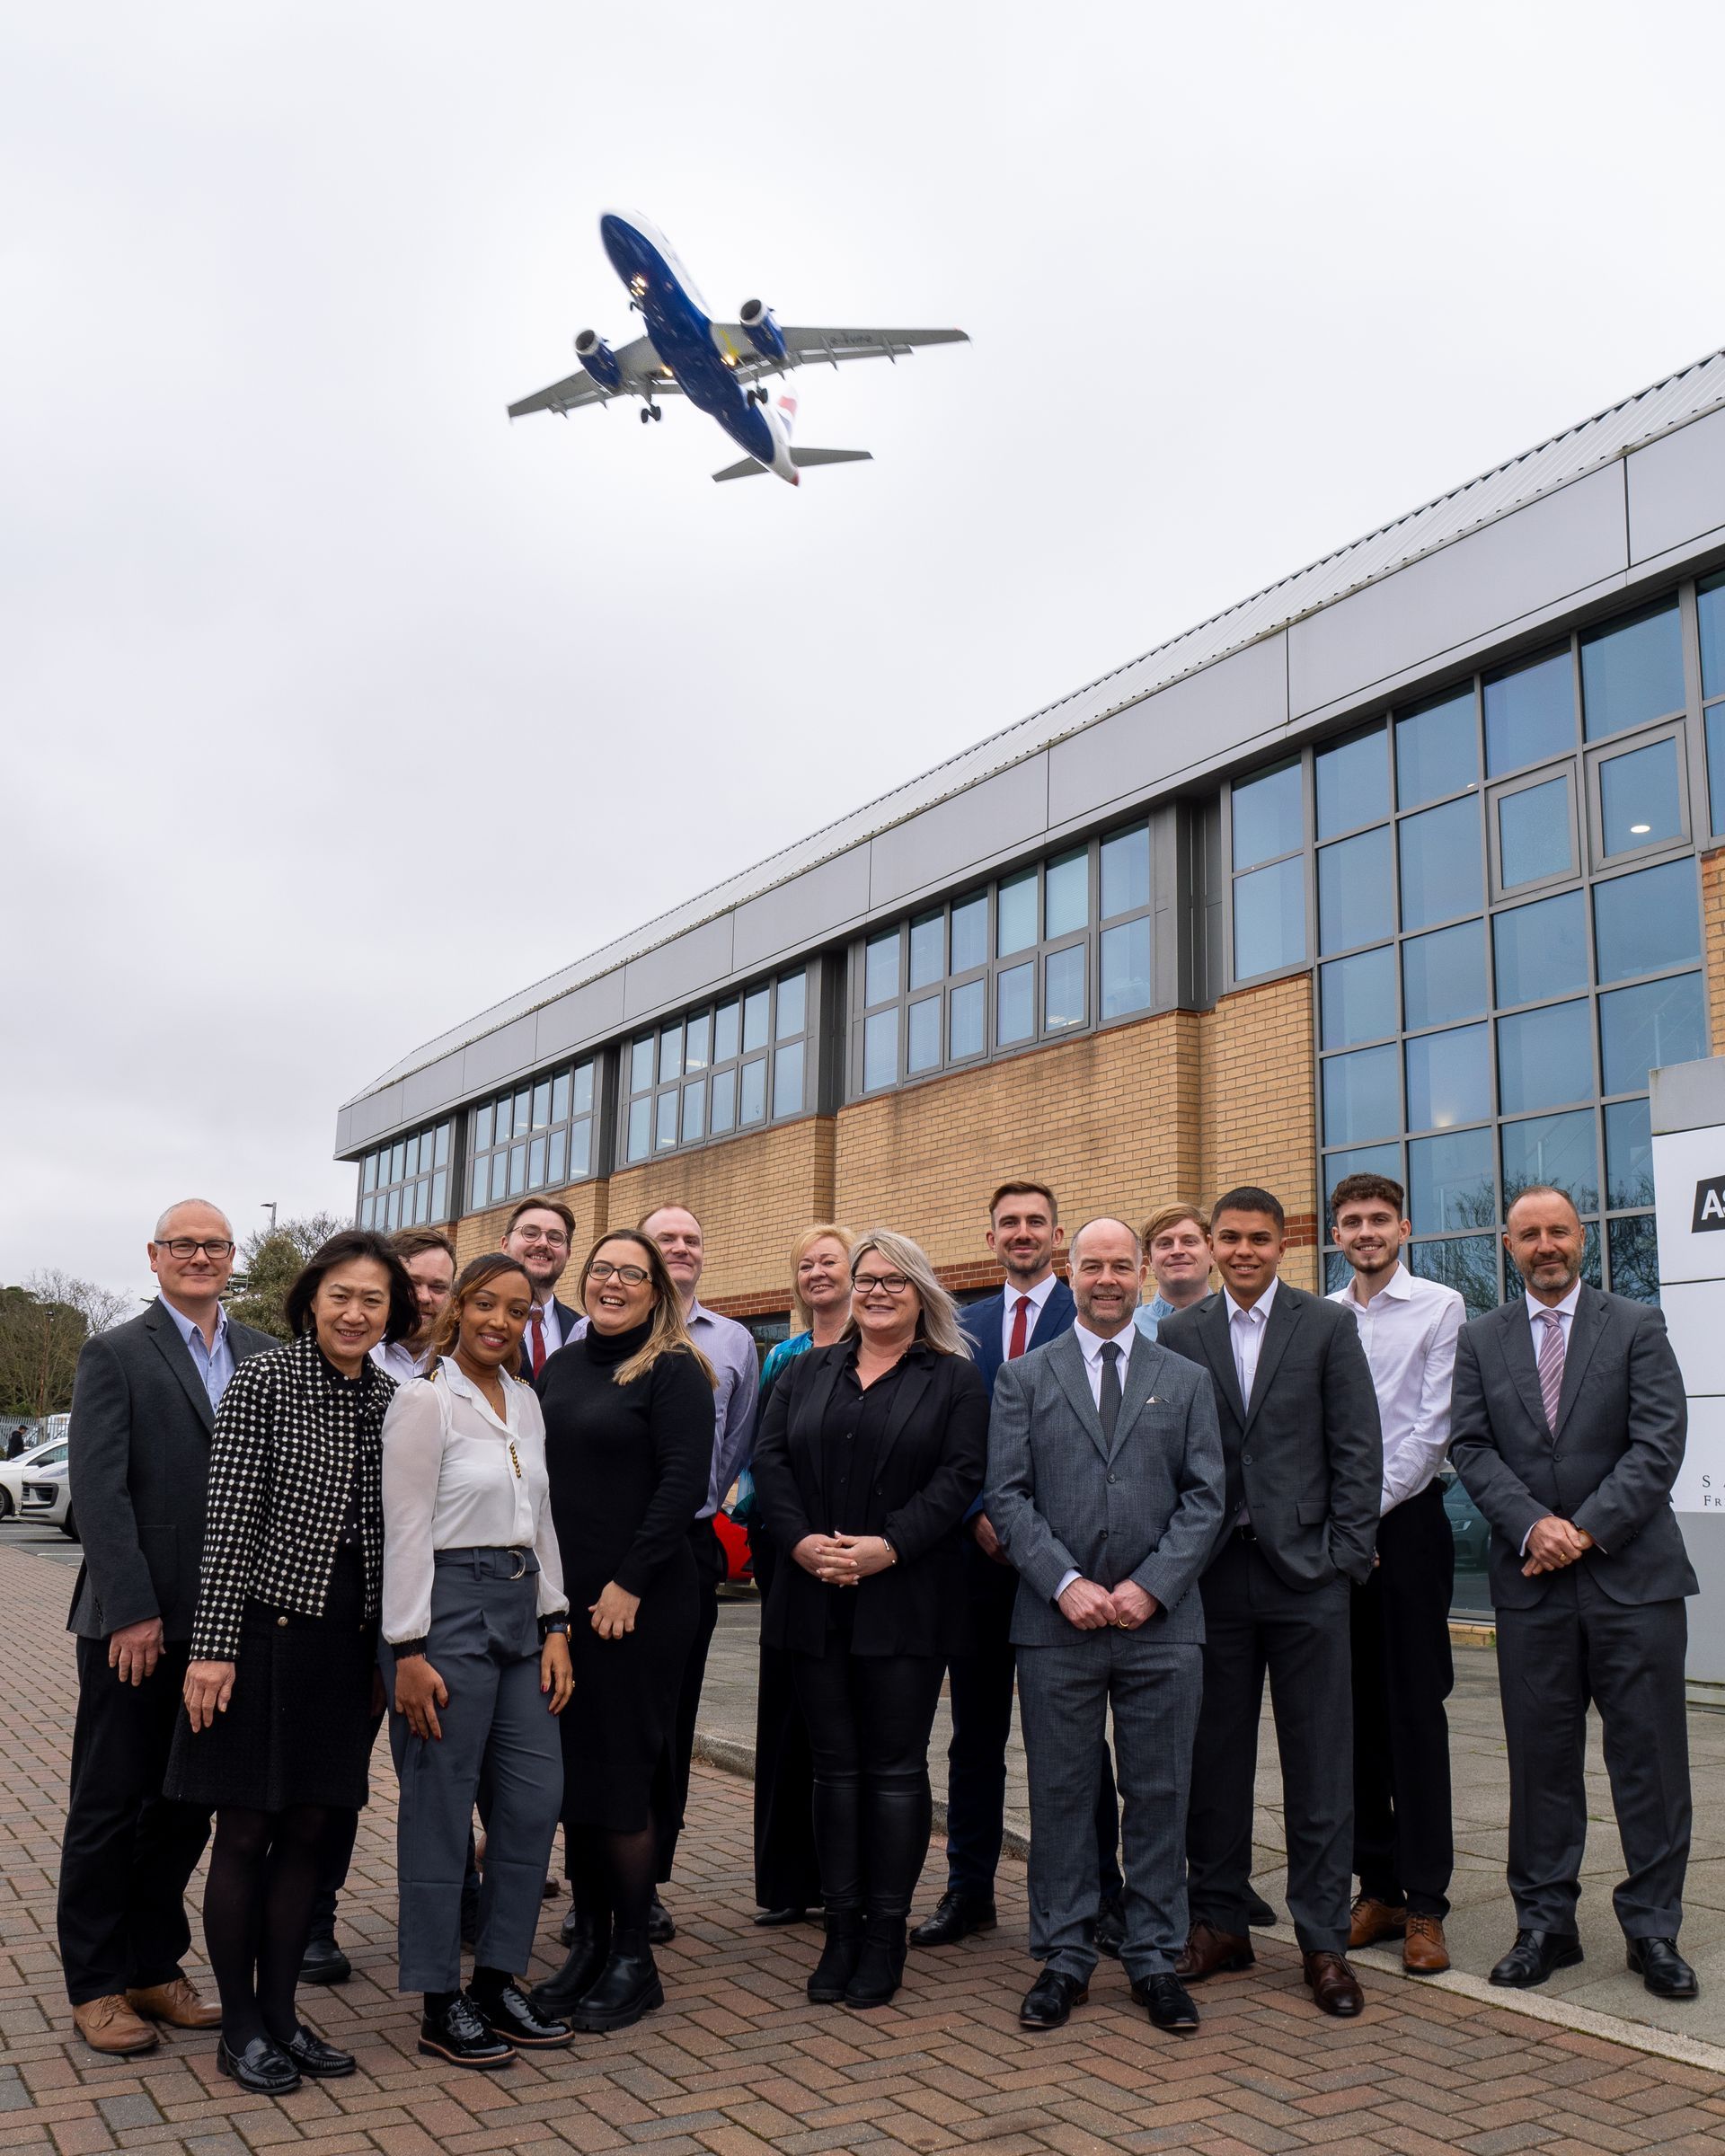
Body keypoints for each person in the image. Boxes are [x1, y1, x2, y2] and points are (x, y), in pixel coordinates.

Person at [164, 1230, 417, 2095]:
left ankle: (283, 2015)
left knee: (314, 1830)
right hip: (264, 1641)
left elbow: (398, 1535)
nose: (355, 1312)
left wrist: (391, 1649)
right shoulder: (264, 1381)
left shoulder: (391, 1399)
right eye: (341, 1294)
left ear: (393, 1312)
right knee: (245, 1832)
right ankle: (242, 2028)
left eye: (373, 1299)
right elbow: (227, 1522)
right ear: (312, 1299)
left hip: (347, 1654)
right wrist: (212, 1650)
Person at [1450, 1185, 1699, 2001]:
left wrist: (1583, 1530)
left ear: (1580, 1239)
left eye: (1558, 1231)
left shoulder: (1636, 1325)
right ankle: (1545, 1926)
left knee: (1650, 1763)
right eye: (1529, 1234)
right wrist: (1533, 1525)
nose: (1545, 1245)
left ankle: (1654, 1929)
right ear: (1510, 1246)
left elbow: (1660, 1441)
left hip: (1634, 1583)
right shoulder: (1482, 1339)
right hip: (1534, 1588)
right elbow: (1472, 1446)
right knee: (1540, 1763)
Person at [986, 1218, 1225, 2035]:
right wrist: (1066, 1584)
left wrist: (1151, 1587)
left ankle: (1156, 1957)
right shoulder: (1023, 1378)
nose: (1109, 1279)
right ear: (1071, 1271)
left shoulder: (1186, 1379)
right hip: (1057, 1626)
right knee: (1059, 1793)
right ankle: (1065, 1954)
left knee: (1159, 1794)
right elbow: (1008, 1496)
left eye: (1122, 1265)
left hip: (1162, 1626)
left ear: (1140, 1273)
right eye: (1093, 1266)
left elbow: (1207, 1499)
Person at [58, 1201, 276, 2058]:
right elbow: (100, 1494)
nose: (198, 1256)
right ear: (153, 1257)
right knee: (111, 1804)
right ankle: (96, 1981)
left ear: (232, 1257)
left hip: (227, 1628)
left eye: (213, 1245)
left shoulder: (264, 1354)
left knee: (184, 1808)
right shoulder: (116, 1352)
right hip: (136, 1628)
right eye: (181, 1245)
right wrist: (134, 1610)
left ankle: (154, 1964)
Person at [1158, 1188, 1382, 2019]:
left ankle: (1323, 1941)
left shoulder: (1325, 1327)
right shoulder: (1180, 1334)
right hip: (1211, 1578)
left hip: (1306, 1580)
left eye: (1259, 1238)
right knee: (1212, 1761)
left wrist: (1345, 1560)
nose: (1244, 1250)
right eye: (1230, 1238)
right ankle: (1219, 1923)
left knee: (1320, 1762)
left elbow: (1359, 1449)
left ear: (1283, 1244)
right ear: (1211, 1246)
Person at [753, 1229, 988, 2011]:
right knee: (833, 1768)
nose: (877, 1291)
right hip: (812, 1592)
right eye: (866, 1279)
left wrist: (890, 1546)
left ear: (921, 1291)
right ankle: (841, 1928)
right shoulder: (805, 1369)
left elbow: (961, 1478)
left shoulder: (954, 1379)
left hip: (907, 1598)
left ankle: (885, 1935)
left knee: (893, 1769)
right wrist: (798, 1540)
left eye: (894, 1280)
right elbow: (772, 1462)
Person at [916, 1180, 1127, 1953]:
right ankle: (969, 1889)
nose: (1023, 1232)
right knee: (974, 1736)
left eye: (1036, 1221)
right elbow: (947, 1434)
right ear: (992, 1234)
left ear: (1059, 1236)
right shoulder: (958, 1328)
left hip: (1068, 1564)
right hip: (978, 1560)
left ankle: (1105, 1893)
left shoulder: (1095, 1313)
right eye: (1009, 1221)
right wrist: (978, 1512)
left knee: (1076, 1739)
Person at [382, 1253, 575, 2067]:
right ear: (458, 1308)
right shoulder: (425, 1401)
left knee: (534, 1800)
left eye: (518, 1310)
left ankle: (497, 1980)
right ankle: (438, 2001)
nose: (501, 1321)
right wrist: (409, 1648)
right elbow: (406, 1527)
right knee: (440, 1806)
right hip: (447, 1609)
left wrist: (557, 1621)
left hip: (522, 1605)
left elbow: (544, 1520)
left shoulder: (526, 1401)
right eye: (486, 1305)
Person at [531, 1232, 713, 2033]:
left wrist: (629, 1583)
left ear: (656, 1289)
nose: (611, 1284)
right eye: (600, 1270)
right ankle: (590, 1944)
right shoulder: (562, 1367)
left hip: (638, 1604)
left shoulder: (675, 1369)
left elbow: (681, 1486)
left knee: (625, 1777)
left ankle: (635, 1957)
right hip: (567, 1604)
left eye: (629, 1274)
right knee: (575, 1779)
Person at [302, 1223, 463, 1989]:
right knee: (325, 1775)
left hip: (430, 1615)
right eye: (416, 1283)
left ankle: (457, 1898)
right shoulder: (354, 1368)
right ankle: (311, 1920)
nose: (426, 1298)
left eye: (439, 1286)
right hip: (335, 1612)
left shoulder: (462, 1371)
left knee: (432, 1769)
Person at [1327, 1173, 1464, 1975]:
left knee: (1415, 1713)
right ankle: (1375, 1887)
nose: (1367, 1231)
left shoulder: (1441, 1307)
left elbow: (1430, 1427)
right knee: (1350, 1716)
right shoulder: (1324, 1316)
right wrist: (1341, 1524)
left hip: (1407, 1527)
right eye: (1353, 1221)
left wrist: (1364, 1512)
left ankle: (1426, 1905)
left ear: (1404, 1227)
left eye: (1380, 1219)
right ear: (1336, 1235)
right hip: (1339, 1534)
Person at [626, 1205, 758, 1939]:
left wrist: (703, 1508)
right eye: (666, 1237)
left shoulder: (734, 1340)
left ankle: (648, 1882)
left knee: (672, 1720)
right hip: (609, 1554)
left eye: (692, 1238)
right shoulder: (597, 1330)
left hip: (688, 1546)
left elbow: (736, 1444)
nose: (681, 1247)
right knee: (607, 1721)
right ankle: (596, 1881)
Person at [748, 1225, 855, 1927]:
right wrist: (789, 1538)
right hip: (788, 1550)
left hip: (866, 1555)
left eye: (830, 1261)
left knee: (847, 1723)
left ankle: (847, 1876)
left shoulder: (886, 1347)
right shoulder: (784, 1357)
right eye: (805, 1263)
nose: (817, 1272)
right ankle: (790, 1882)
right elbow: (763, 1455)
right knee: (787, 1718)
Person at [502, 1200, 579, 1381]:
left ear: (568, 1253)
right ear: (505, 1244)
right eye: (530, 1233)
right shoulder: (475, 1322)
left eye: (555, 1237)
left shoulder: (582, 1330)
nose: (543, 1243)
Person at [373, 1227, 456, 1383]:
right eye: (411, 1284)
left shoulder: (463, 1365)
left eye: (438, 1287)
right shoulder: (355, 1358)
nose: (424, 1297)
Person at [1133, 1204, 1214, 1340]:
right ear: (1150, 1259)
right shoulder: (1128, 1328)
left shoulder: (1235, 1322)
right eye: (1165, 1244)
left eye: (1189, 1241)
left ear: (1212, 1252)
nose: (1177, 1251)